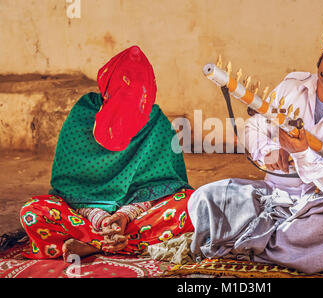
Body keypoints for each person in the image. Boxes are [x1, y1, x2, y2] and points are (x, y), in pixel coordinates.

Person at [188, 14, 323, 273]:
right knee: (205, 198)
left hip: (320, 207)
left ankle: (252, 241)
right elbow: (255, 127)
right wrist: (268, 150)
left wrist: (303, 153)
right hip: (269, 198)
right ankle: (286, 247)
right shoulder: (292, 86)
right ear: (322, 57)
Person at [19, 46, 194, 260]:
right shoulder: (82, 115)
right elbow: (68, 188)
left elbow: (161, 185)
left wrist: (124, 215)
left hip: (136, 216)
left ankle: (92, 244)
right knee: (33, 212)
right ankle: (124, 244)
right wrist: (99, 218)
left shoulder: (155, 122)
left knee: (192, 204)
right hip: (84, 214)